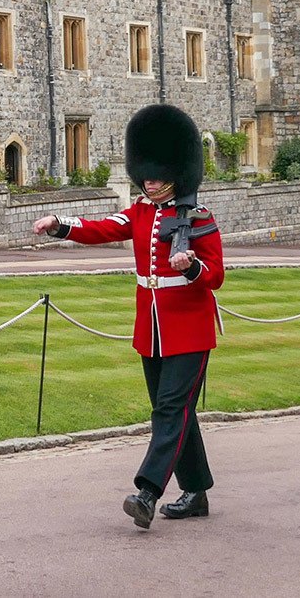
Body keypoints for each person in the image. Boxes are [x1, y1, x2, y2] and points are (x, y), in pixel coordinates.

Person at [32, 103, 224, 530]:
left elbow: (216, 277)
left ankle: (147, 492)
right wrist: (59, 224)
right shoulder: (139, 212)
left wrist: (191, 267)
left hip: (190, 331)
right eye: (146, 174)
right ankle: (196, 492)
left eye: (157, 174)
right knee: (174, 410)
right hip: (152, 328)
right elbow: (101, 227)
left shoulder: (199, 217)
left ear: (176, 172)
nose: (150, 180)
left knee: (170, 411)